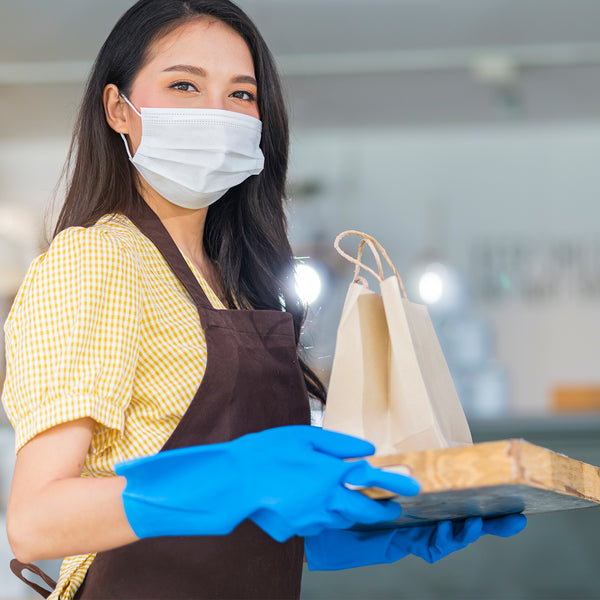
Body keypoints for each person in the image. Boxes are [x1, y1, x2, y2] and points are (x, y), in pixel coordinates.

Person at [1, 1, 526, 598]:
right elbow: (35, 521)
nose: (216, 114)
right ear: (119, 108)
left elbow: (224, 533)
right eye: (184, 85)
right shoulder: (98, 260)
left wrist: (369, 531)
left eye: (241, 95)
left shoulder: (232, 283)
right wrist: (239, 473)